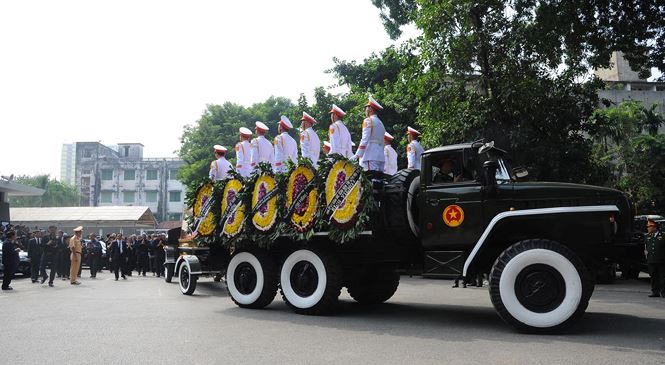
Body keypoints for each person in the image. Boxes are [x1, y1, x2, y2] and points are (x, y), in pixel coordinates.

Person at [354, 96, 386, 172]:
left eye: (366, 108)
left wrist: (358, 154)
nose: (365, 111)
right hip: (380, 156)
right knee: (378, 180)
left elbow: (365, 139)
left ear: (370, 109)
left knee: (370, 180)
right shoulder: (380, 123)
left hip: (370, 155)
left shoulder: (368, 120)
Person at [645, 218, 665, 297]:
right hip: (651, 260)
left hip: (661, 260)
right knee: (653, 277)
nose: (648, 228)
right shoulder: (647, 236)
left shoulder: (663, 235)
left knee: (662, 277)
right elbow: (646, 248)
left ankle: (663, 292)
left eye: (649, 226)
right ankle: (655, 292)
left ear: (654, 227)